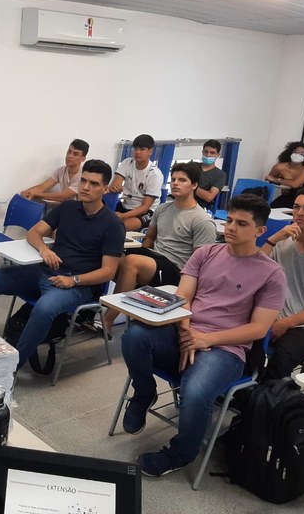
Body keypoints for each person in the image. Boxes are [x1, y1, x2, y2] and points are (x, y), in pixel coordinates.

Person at [121, 194, 286, 477]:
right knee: (134, 335)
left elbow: (258, 329)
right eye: (230, 220)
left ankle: (181, 453)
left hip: (226, 348)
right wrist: (187, 330)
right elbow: (183, 297)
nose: (231, 228)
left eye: (242, 224)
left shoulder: (272, 274)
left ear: (260, 231)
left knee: (195, 392)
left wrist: (206, 340)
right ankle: (144, 392)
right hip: (186, 332)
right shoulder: (206, 253)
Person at [0, 160, 125, 369]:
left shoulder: (113, 225)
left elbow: (108, 271)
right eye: (83, 181)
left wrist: (74, 280)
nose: (85, 187)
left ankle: (10, 368)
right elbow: (34, 232)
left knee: (44, 308)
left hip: (78, 285)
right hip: (46, 271)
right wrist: (44, 250)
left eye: (94, 184)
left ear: (105, 189)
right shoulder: (68, 208)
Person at [101, 162, 216, 337]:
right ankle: (102, 306)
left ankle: (106, 321)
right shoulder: (162, 209)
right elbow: (149, 239)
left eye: (182, 180)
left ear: (194, 185)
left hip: (176, 270)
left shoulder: (201, 220)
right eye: (174, 179)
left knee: (132, 262)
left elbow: (200, 263)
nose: (176, 183)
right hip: (155, 259)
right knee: (114, 256)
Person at [259, 187, 304, 379]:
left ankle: (270, 395)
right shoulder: (281, 244)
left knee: (283, 356)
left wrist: (286, 323)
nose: (299, 213)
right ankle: (245, 390)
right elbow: (252, 270)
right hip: (272, 316)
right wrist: (273, 239)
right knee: (239, 341)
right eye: (296, 207)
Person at [109, 134, 163, 232]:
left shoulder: (155, 174)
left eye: (142, 149)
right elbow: (115, 184)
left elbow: (145, 207)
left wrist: (123, 216)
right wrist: (115, 187)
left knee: (122, 226)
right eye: (136, 149)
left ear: (150, 151)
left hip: (146, 211)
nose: (137, 152)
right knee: (102, 220)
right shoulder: (127, 163)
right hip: (125, 205)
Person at [21, 139, 89, 203]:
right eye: (69, 151)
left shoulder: (83, 177)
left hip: (79, 209)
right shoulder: (61, 170)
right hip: (65, 206)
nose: (69, 156)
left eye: (75, 154)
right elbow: (43, 187)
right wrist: (26, 193)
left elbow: (63, 196)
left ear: (83, 159)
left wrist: (35, 194)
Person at [266, 141, 304, 208]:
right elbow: (268, 180)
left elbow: (295, 184)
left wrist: (277, 180)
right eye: (296, 152)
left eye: (302, 153)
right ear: (290, 152)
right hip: (286, 197)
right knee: (270, 209)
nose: (298, 154)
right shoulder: (279, 167)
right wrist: (282, 184)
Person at [195, 139, 227, 212]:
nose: (208, 155)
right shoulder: (191, 166)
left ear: (217, 155)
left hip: (197, 207)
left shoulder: (220, 175)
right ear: (202, 152)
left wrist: (191, 187)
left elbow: (209, 197)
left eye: (212, 153)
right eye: (206, 152)